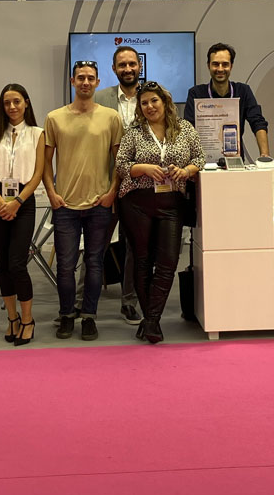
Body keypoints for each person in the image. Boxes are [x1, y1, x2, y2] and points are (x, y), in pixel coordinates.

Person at [116, 81, 204, 344]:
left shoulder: (185, 129)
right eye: (144, 103)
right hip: (137, 202)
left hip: (171, 203)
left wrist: (185, 171)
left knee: (168, 262)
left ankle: (150, 319)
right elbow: (121, 165)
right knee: (142, 261)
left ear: (165, 102)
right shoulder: (134, 132)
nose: (149, 106)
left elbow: (199, 158)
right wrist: (143, 168)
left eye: (154, 101)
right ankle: (152, 321)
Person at [43, 60, 123, 342]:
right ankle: (66, 315)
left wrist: (112, 192)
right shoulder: (54, 118)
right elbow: (45, 161)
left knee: (94, 263)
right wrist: (51, 193)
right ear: (72, 81)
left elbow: (120, 161)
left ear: (98, 82)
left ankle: (89, 316)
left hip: (99, 204)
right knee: (65, 266)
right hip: (65, 205)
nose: (86, 82)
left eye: (90, 78)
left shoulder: (111, 117)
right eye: (81, 78)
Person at [0, 83, 45, 346]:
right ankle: (12, 318)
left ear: (26, 103)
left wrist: (17, 202)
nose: (11, 107)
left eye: (16, 101)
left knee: (18, 263)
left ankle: (28, 320)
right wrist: (0, 201)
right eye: (7, 103)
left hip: (24, 200)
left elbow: (38, 173)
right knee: (3, 263)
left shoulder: (37, 134)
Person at [95, 44, 144, 325]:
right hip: (106, 183)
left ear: (139, 66)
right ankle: (81, 304)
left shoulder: (153, 97)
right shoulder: (100, 99)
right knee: (95, 245)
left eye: (132, 64)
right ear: (114, 69)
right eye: (122, 65)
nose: (128, 69)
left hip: (141, 185)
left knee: (134, 248)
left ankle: (129, 302)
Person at [183, 42, 269, 160]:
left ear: (231, 66)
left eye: (225, 64)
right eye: (215, 64)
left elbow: (258, 122)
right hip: (202, 162)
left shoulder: (243, 91)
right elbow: (188, 130)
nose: (220, 69)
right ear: (208, 66)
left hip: (234, 161)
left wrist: (265, 156)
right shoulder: (196, 93)